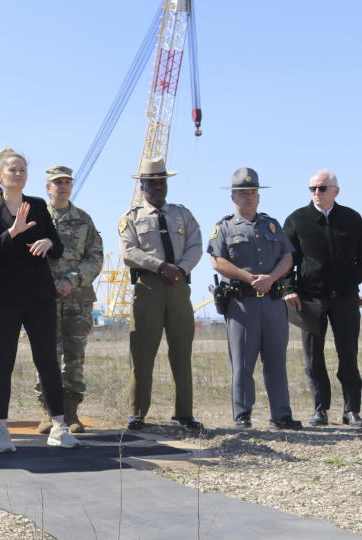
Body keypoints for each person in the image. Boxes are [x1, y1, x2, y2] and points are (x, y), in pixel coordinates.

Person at [0, 148, 79, 451]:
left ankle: (60, 426)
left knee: (47, 360)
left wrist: (49, 240)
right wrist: (12, 231)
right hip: (3, 298)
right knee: (2, 363)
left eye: (22, 170)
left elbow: (57, 246)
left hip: (38, 296)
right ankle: (2, 429)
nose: (18, 174)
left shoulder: (36, 205)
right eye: (12, 170)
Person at [208, 168, 301, 430]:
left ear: (258, 196)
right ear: (233, 198)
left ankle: (281, 414)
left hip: (272, 301)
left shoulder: (271, 224)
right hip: (242, 303)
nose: (248, 198)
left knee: (276, 361)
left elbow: (288, 257)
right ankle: (242, 414)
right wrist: (250, 279)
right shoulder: (224, 227)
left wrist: (271, 278)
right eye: (242, 193)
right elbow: (218, 262)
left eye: (252, 193)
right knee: (243, 362)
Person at [119, 157, 203, 433]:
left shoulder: (183, 214)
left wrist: (180, 268)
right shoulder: (131, 218)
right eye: (151, 184)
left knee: (182, 352)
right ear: (142, 186)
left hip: (178, 287)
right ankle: (138, 413)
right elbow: (128, 252)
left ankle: (184, 413)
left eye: (161, 183)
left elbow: (195, 245)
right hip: (149, 288)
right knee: (142, 354)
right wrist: (159, 266)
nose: (157, 188)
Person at [283, 169, 362, 427]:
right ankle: (320, 410)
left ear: (336, 191)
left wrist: (356, 284)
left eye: (322, 188)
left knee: (348, 355)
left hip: (346, 298)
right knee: (313, 358)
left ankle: (352, 410)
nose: (317, 193)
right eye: (313, 189)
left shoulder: (352, 219)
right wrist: (288, 288)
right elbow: (286, 260)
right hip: (310, 299)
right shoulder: (297, 220)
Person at [35, 165, 103, 435]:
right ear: (47, 187)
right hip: (43, 299)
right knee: (46, 355)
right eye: (56, 182)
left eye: (66, 182)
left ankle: (72, 412)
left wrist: (71, 280)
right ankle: (47, 411)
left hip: (78, 299)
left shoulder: (83, 220)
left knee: (74, 357)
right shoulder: (37, 218)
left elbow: (96, 256)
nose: (62, 186)